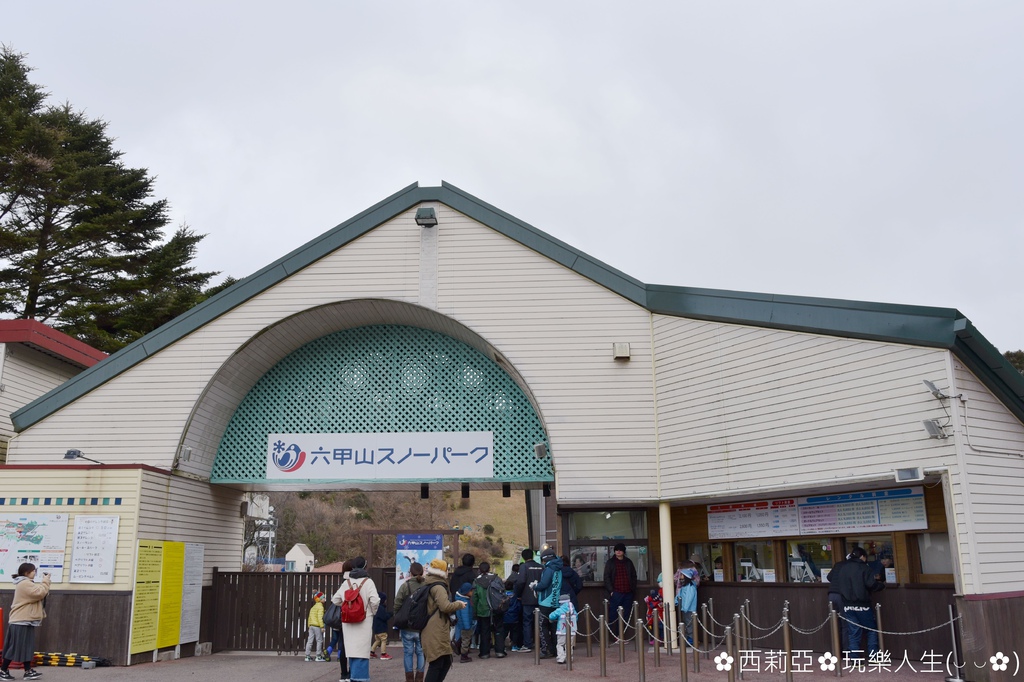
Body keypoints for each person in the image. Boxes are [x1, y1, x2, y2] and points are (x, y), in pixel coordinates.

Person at [828, 547, 885, 660]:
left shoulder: (843, 567)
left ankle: (854, 659)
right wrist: (881, 585)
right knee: (871, 630)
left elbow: (832, 579)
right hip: (862, 604)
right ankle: (874, 657)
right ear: (862, 557)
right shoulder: (865, 568)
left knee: (853, 632)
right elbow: (871, 585)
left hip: (847, 604)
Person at [332, 556, 380, 682]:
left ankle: (353, 677)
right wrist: (371, 611)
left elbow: (335, 599)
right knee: (362, 652)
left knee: (351, 651)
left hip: (348, 622)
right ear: (365, 566)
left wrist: (347, 606)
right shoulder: (368, 582)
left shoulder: (346, 582)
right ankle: (360, 678)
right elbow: (375, 601)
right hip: (364, 620)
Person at [0, 563, 49, 682]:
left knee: (27, 646)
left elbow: (40, 593)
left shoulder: (26, 583)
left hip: (25, 620)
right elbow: (39, 593)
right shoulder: (24, 583)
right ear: (26, 572)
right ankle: (3, 670)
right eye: (33, 570)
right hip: (20, 620)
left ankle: (28, 671)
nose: (35, 572)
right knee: (14, 647)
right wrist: (45, 581)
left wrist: (44, 585)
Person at [421, 559, 466, 682]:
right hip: (435, 629)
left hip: (434, 627)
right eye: (447, 568)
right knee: (437, 663)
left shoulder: (429, 583)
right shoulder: (438, 586)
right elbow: (445, 606)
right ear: (442, 570)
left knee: (445, 661)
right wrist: (458, 604)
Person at [394, 561, 426, 682]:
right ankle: (420, 678)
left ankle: (409, 679)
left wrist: (398, 617)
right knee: (421, 652)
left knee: (408, 652)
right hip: (422, 625)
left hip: (407, 625)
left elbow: (397, 604)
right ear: (422, 572)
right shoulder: (427, 586)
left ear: (410, 572)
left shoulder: (405, 586)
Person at [471, 562, 506, 659]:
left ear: (479, 570)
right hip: (496, 608)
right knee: (498, 629)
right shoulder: (497, 579)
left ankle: (484, 653)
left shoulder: (476, 581)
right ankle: (500, 651)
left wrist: (475, 611)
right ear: (489, 568)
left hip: (482, 610)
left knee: (484, 631)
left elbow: (475, 598)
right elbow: (503, 592)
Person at [532, 547, 562, 659]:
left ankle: (546, 650)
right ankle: (555, 649)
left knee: (543, 626)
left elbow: (543, 585)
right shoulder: (559, 569)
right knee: (554, 627)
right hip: (555, 602)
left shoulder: (549, 569)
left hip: (545, 602)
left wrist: (535, 586)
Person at [513, 548, 543, 653]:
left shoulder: (524, 567)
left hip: (527, 598)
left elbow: (520, 582)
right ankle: (541, 643)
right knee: (540, 622)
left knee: (527, 622)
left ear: (523, 557)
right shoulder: (541, 567)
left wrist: (518, 594)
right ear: (533, 555)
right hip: (540, 599)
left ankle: (527, 644)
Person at [602, 543, 637, 633]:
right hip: (616, 592)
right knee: (613, 615)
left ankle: (621, 636)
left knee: (625, 615)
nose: (618, 551)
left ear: (623, 552)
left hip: (628, 592)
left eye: (620, 550)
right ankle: (611, 636)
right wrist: (611, 591)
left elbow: (633, 576)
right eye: (616, 550)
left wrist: (633, 589)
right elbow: (606, 577)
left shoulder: (628, 562)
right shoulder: (610, 562)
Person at [448, 554, 476, 653]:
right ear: (473, 563)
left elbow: (451, 586)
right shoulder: (471, 574)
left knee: (459, 622)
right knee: (468, 623)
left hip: (456, 599)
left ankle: (457, 642)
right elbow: (473, 590)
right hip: (466, 601)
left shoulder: (455, 573)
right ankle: (463, 646)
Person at [329, 560, 352, 678]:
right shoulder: (353, 581)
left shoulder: (343, 581)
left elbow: (335, 600)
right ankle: (350, 673)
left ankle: (343, 673)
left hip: (341, 618)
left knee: (342, 645)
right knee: (352, 646)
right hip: (351, 617)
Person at [548, 594, 578, 665]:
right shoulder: (573, 610)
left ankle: (561, 658)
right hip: (572, 631)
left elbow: (551, 616)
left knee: (560, 644)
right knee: (569, 645)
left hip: (561, 631)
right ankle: (569, 658)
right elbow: (576, 618)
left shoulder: (560, 610)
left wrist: (551, 619)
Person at [676, 561, 699, 647]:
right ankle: (687, 638)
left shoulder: (690, 587)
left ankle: (691, 639)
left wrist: (684, 607)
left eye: (682, 576)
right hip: (684, 609)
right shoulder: (684, 587)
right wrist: (676, 601)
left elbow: (689, 599)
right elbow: (679, 595)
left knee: (690, 624)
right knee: (686, 624)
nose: (680, 577)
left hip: (689, 609)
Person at [453, 583, 475, 663]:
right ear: (467, 592)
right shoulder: (464, 602)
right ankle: (464, 656)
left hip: (461, 624)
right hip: (466, 625)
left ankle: (459, 648)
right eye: (471, 591)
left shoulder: (461, 599)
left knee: (462, 638)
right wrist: (467, 626)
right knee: (466, 640)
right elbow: (465, 615)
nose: (472, 592)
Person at [503, 564, 523, 651]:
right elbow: (518, 606)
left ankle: (502, 646)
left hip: (504, 617)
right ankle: (514, 646)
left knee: (504, 632)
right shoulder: (515, 596)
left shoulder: (502, 596)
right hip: (514, 617)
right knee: (515, 632)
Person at [369, 590, 393, 660]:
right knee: (383, 640)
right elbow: (384, 617)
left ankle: (372, 652)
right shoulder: (381, 608)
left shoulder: (376, 607)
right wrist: (390, 614)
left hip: (376, 628)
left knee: (377, 641)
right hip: (382, 628)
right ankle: (383, 654)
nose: (386, 601)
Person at [305, 590, 327, 661]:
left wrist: (309, 625)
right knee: (319, 640)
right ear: (320, 599)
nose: (325, 599)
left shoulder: (313, 607)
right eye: (323, 598)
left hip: (311, 625)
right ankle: (318, 656)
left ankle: (307, 656)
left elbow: (309, 617)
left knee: (310, 641)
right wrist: (322, 626)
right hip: (317, 626)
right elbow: (320, 617)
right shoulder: (320, 607)